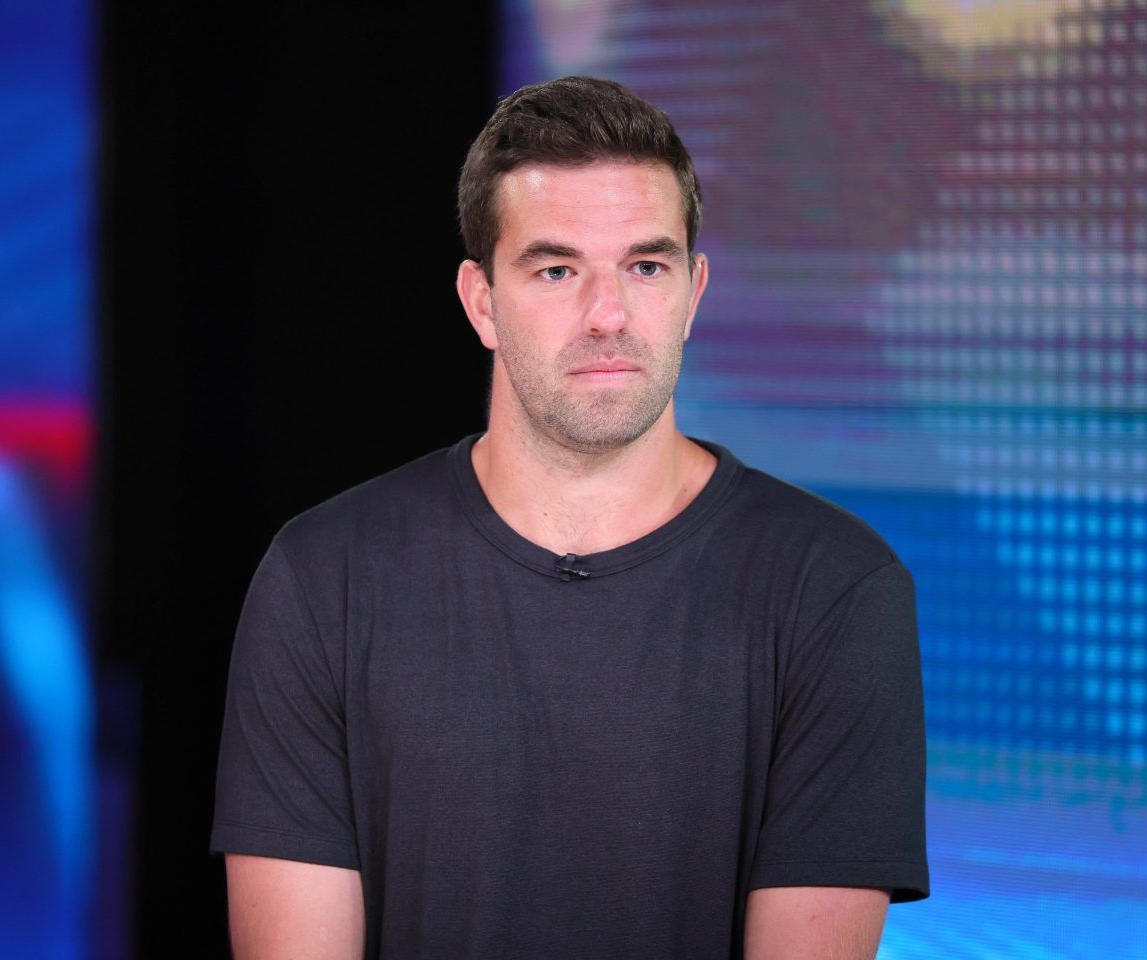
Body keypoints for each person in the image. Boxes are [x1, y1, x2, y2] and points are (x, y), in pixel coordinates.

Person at [209, 75, 928, 959]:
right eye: (556, 270)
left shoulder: (835, 591)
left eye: (647, 266)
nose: (608, 315)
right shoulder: (324, 579)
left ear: (694, 292)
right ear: (481, 302)